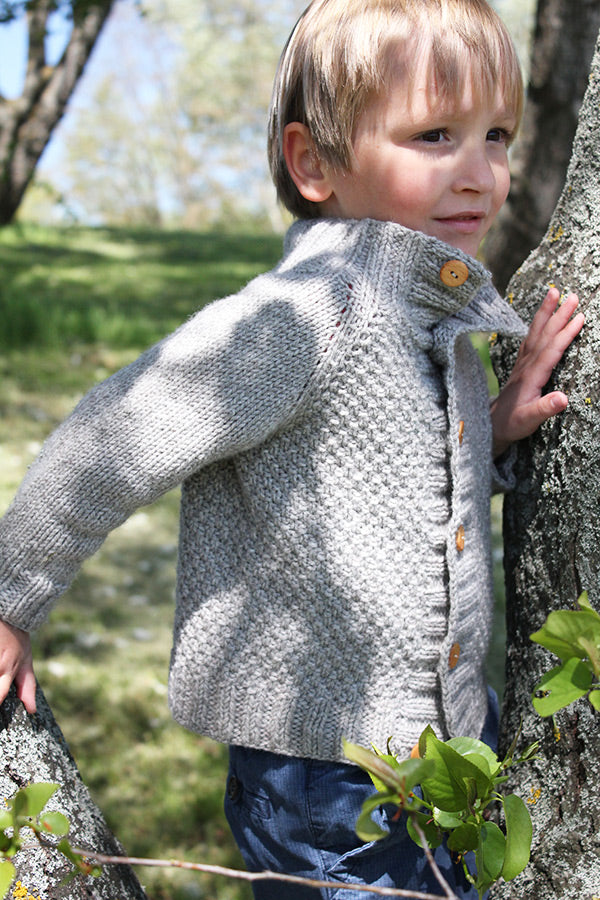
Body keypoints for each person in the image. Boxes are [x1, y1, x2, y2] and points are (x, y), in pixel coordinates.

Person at [0, 0, 585, 897]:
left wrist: (494, 427)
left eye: (496, 135)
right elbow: (116, 433)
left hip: (443, 745)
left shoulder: (429, 313)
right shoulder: (304, 317)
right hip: (329, 774)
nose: (481, 173)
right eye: (435, 135)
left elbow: (400, 483)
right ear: (314, 162)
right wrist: (11, 595)